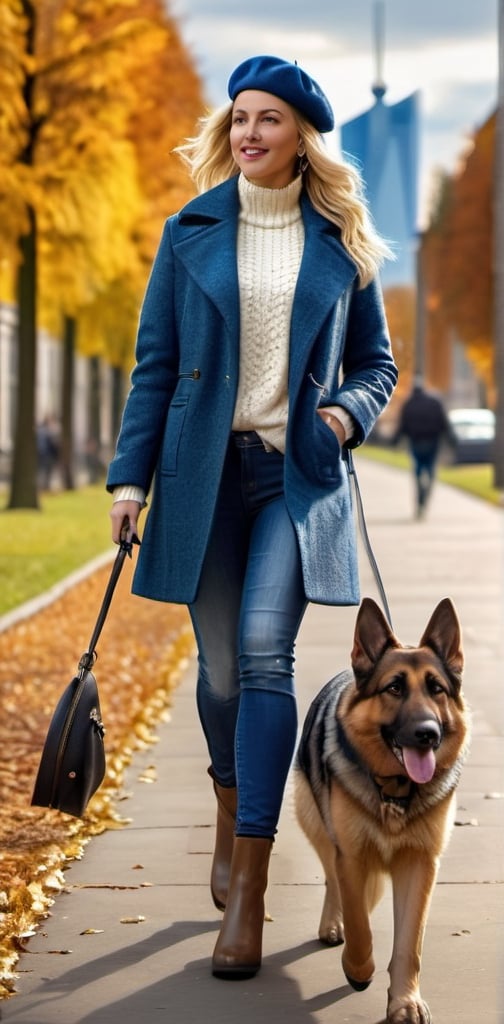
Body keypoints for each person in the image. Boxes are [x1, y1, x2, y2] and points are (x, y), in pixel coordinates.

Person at [107, 54, 398, 980]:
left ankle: (256, 892)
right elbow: (154, 367)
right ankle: (233, 824)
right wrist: (127, 483)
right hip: (201, 478)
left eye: (268, 119)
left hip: (293, 479)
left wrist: (343, 412)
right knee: (224, 671)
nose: (247, 133)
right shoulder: (188, 230)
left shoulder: (342, 242)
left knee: (268, 652)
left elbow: (376, 365)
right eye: (238, 117)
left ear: (302, 137)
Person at [393, 379, 454, 518]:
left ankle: (420, 497)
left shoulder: (408, 404)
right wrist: (452, 441)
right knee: (431, 469)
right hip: (433, 442)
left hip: (416, 442)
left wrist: (395, 441)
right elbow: (444, 423)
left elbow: (402, 426)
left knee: (418, 470)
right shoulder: (434, 403)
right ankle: (425, 494)